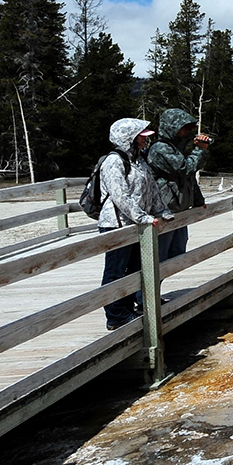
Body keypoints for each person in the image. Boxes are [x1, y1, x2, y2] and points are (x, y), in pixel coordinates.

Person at [98, 117, 171, 329]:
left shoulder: (138, 160)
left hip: (136, 224)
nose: (145, 140)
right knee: (115, 271)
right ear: (128, 138)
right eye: (141, 137)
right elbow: (120, 195)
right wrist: (142, 217)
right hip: (117, 224)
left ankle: (128, 309)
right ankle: (115, 315)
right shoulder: (113, 161)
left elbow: (152, 189)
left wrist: (161, 210)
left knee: (134, 269)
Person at [147, 108, 211, 261]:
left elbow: (188, 177)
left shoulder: (177, 149)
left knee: (177, 254)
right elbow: (184, 168)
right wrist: (200, 150)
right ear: (172, 127)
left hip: (179, 210)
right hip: (164, 212)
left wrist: (198, 200)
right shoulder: (160, 148)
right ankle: (151, 285)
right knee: (159, 257)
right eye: (184, 128)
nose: (187, 132)